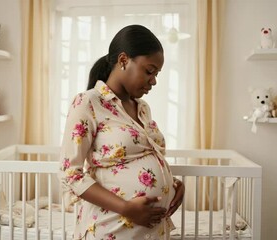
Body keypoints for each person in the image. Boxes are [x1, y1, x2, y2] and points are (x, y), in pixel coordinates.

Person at [58, 24, 185, 240]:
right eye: (149, 71)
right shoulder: (88, 102)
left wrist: (172, 185)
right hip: (112, 229)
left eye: (157, 74)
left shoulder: (142, 108)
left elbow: (145, 155)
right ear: (124, 60)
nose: (153, 80)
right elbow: (70, 173)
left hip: (152, 231)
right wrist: (126, 208)